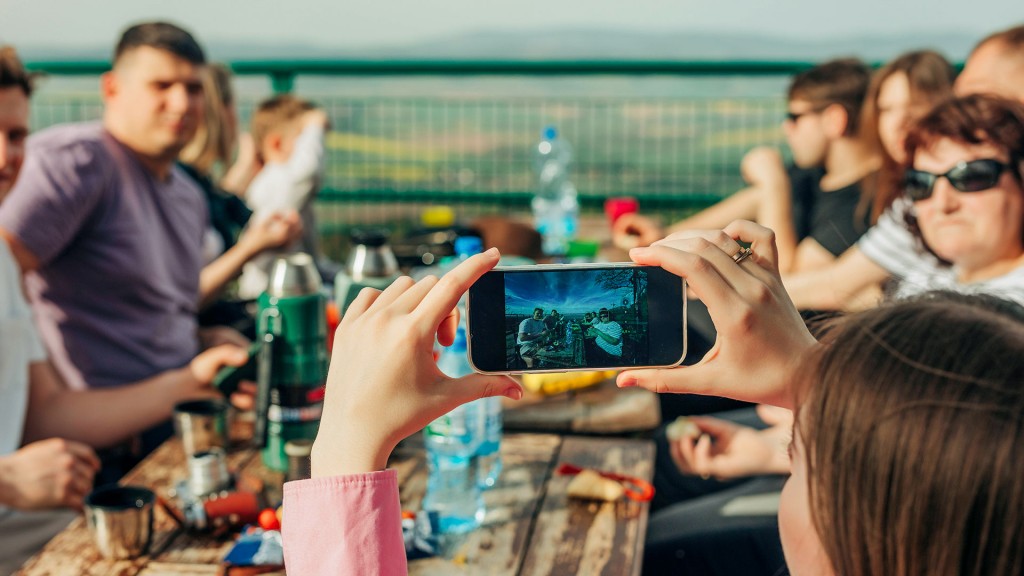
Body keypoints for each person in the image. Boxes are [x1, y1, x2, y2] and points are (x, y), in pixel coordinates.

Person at [0, 43, 248, 573]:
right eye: (162, 85)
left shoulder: (185, 192)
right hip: (84, 459)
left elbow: (42, 413)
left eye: (16, 135)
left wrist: (198, 355)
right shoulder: (76, 165)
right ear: (111, 88)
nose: (4, 158)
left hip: (74, 469)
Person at [784, 25, 1024, 311]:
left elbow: (828, 285)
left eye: (973, 177)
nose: (943, 202)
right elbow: (834, 286)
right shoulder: (916, 205)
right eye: (919, 182)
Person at [613, 58, 879, 274]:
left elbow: (787, 277)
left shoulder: (868, 203)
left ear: (835, 119)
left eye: (795, 117)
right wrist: (665, 236)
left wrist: (774, 183)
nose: (786, 128)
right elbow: (752, 201)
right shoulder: (814, 174)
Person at [178, 64, 301, 327]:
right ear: (219, 112)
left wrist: (244, 168)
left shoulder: (193, 180)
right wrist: (251, 247)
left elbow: (216, 201)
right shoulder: (178, 188)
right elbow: (182, 300)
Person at [237, 95, 330, 299]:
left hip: (288, 292)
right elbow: (306, 172)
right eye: (303, 142)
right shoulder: (275, 181)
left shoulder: (287, 192)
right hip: (263, 299)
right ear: (277, 144)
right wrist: (314, 127)